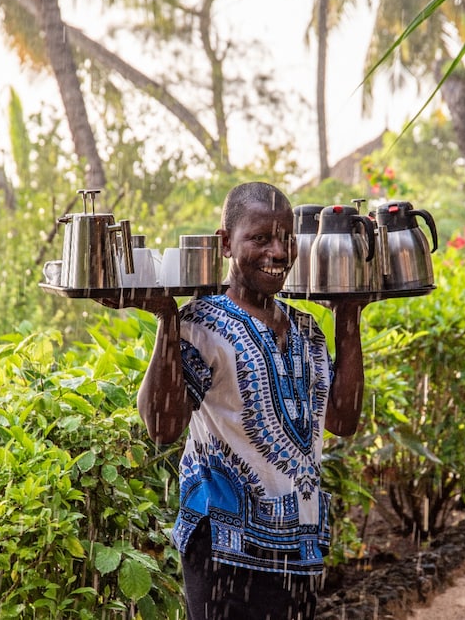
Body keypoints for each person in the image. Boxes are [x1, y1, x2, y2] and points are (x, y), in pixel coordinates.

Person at [102, 182, 368, 620]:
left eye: (286, 238)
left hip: (297, 549)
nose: (278, 252)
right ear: (226, 242)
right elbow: (163, 427)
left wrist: (348, 315)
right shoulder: (201, 325)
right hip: (223, 551)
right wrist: (168, 317)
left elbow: (342, 419)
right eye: (260, 238)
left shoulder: (307, 330)